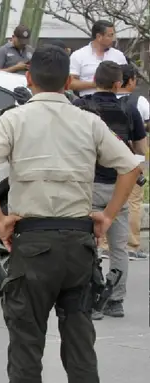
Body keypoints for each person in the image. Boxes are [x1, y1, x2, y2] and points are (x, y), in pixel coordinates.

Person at [0, 45, 141, 383]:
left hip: (32, 245)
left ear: (29, 79)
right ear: (69, 82)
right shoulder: (88, 121)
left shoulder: (13, 119)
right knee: (81, 348)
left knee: (27, 345)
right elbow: (131, 166)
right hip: (78, 245)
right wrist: (106, 215)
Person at [73, 61, 147, 320]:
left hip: (88, 185)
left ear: (94, 78)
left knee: (88, 245)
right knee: (118, 247)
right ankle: (115, 301)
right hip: (118, 188)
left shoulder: (81, 108)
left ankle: (91, 299)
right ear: (119, 84)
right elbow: (140, 150)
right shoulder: (130, 110)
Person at [115, 64, 149, 260]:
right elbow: (146, 129)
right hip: (133, 159)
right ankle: (131, 245)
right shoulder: (139, 101)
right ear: (131, 81)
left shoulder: (100, 100)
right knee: (133, 201)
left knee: (107, 199)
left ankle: (104, 245)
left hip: (106, 160)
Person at [69, 20, 127, 97]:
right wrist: (95, 84)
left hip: (116, 102)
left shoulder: (118, 55)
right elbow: (70, 83)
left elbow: (127, 81)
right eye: (110, 35)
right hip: (88, 103)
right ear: (99, 37)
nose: (113, 39)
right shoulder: (78, 55)